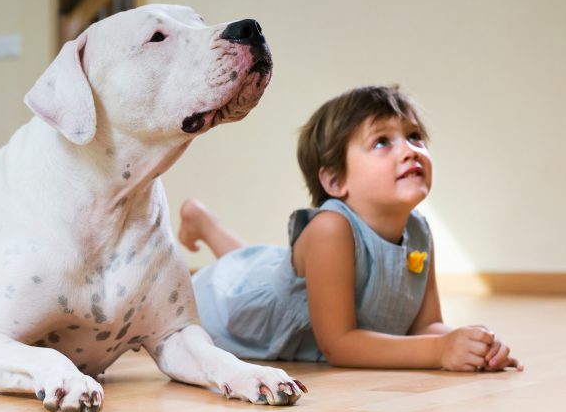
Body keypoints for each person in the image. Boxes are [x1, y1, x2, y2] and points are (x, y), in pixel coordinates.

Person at [179, 85, 522, 372]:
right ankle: (204, 223)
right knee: (239, 279)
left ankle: (204, 223)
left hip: (275, 277)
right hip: (224, 307)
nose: (409, 151)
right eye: (382, 142)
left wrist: (473, 344)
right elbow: (339, 345)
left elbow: (425, 326)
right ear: (335, 180)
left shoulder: (419, 230)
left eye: (414, 136)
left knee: (261, 265)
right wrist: (439, 351)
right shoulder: (330, 229)